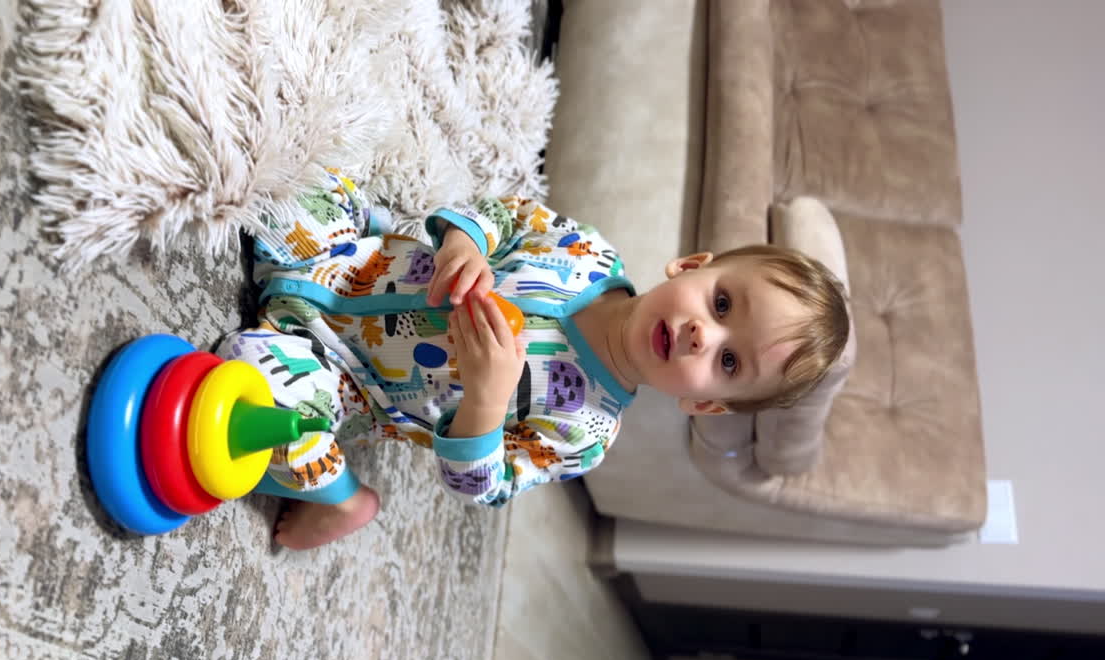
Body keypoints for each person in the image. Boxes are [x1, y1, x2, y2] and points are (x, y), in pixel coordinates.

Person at [218, 168, 849, 550]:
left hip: (342, 379)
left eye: (729, 363)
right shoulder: (586, 254)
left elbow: (484, 487)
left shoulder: (584, 434)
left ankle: (342, 500)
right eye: (720, 302)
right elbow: (510, 215)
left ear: (703, 404)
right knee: (297, 175)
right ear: (690, 265)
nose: (700, 335)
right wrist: (466, 244)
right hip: (350, 256)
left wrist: (487, 404)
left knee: (255, 384)